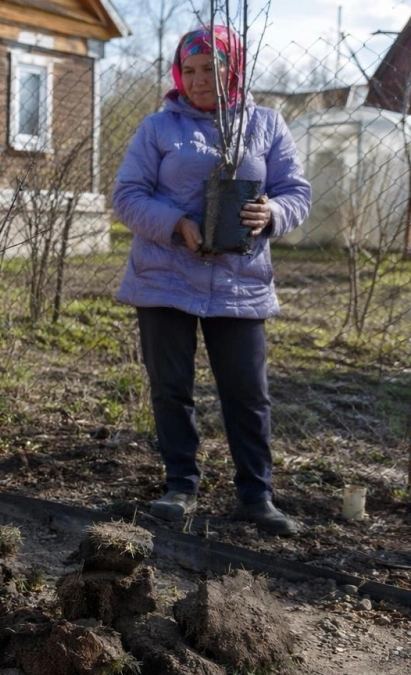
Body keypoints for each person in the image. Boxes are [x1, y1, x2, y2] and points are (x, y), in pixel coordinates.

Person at [112, 26, 311, 536]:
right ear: (181, 73)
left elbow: (296, 191)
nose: (200, 80)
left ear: (232, 69)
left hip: (239, 282)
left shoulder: (265, 124)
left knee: (247, 393)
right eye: (191, 69)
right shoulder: (157, 128)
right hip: (164, 276)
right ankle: (180, 485)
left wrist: (272, 213)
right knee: (170, 389)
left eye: (212, 68)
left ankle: (255, 495)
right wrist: (176, 225)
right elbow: (127, 196)